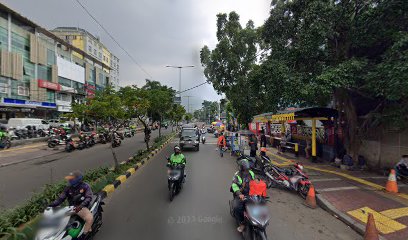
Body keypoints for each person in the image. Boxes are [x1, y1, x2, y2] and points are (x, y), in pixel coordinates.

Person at [49, 171, 93, 236]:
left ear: (78, 179)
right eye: (69, 178)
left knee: (89, 219)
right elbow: (60, 198)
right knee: (58, 218)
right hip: (71, 208)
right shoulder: (68, 188)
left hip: (82, 207)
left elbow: (88, 198)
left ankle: (85, 234)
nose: (69, 180)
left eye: (71, 178)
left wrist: (81, 206)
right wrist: (50, 205)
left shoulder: (85, 186)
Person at [231, 159, 255, 233]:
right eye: (244, 167)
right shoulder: (237, 175)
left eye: (247, 167)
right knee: (237, 207)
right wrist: (239, 194)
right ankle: (242, 223)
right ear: (241, 167)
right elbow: (234, 185)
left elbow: (254, 182)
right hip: (241, 194)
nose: (246, 169)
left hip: (251, 194)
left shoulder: (251, 173)